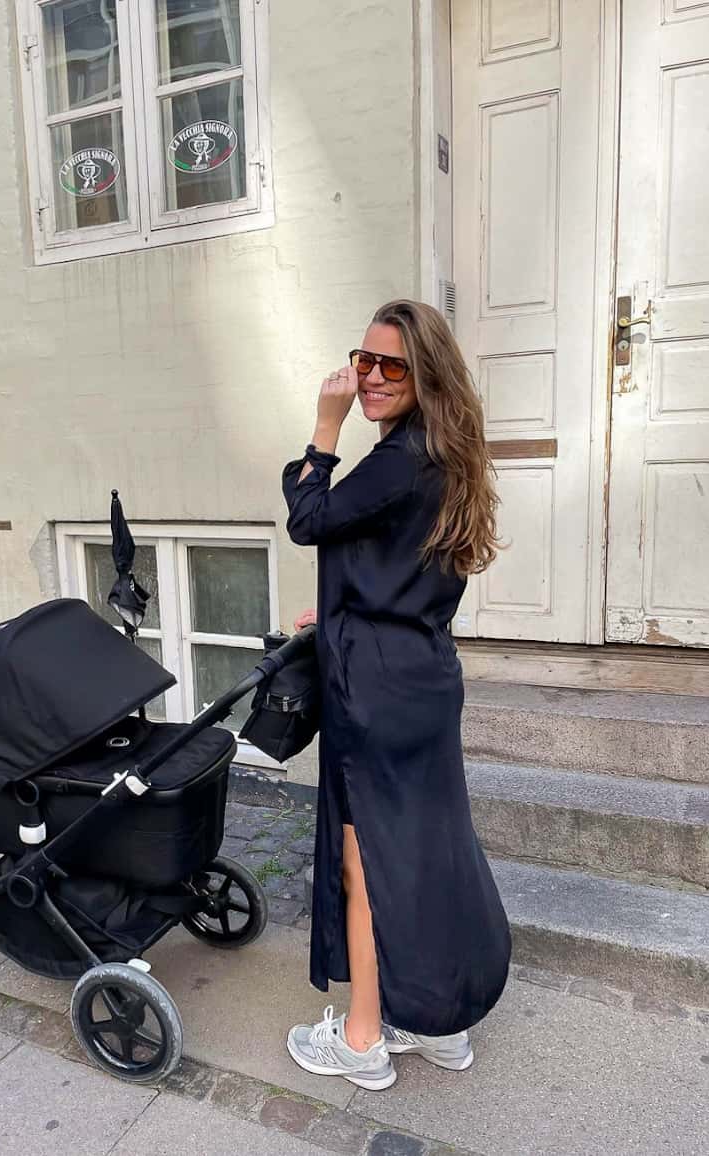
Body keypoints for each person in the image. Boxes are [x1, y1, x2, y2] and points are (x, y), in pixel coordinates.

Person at [282, 299, 511, 1092]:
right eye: (363, 361)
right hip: (422, 673)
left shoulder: (394, 457)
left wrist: (324, 423)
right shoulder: (447, 455)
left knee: (365, 863)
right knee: (426, 853)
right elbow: (391, 556)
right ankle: (439, 1022)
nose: (371, 379)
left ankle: (362, 1038)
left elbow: (310, 519)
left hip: (374, 690)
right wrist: (341, 607)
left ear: (424, 375)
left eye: (391, 367)